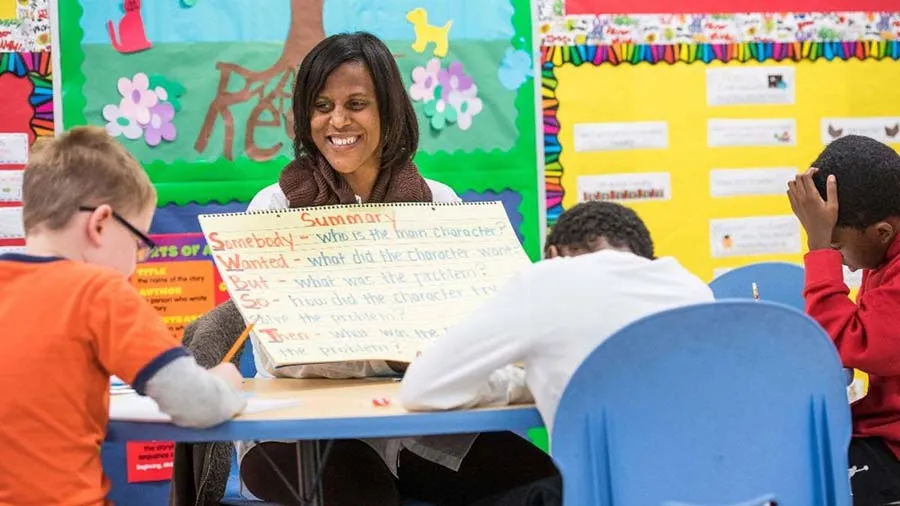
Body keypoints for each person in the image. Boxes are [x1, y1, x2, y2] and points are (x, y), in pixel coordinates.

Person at [180, 32, 556, 506]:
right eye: (321, 106)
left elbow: (472, 329)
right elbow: (285, 359)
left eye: (356, 103)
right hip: (298, 433)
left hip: (416, 424)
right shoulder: (274, 208)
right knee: (364, 497)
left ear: (389, 112)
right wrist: (403, 353)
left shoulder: (439, 205)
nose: (337, 121)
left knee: (541, 486)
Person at [0, 126, 245, 505]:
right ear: (99, 224)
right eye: (138, 242)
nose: (137, 259)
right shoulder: (99, 292)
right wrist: (227, 379)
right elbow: (198, 404)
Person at [400, 200, 714, 440]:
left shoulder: (547, 281)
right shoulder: (689, 286)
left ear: (552, 254)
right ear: (646, 257)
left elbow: (422, 389)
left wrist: (521, 383)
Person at [787, 134, 900, 505]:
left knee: (797, 481)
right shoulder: (885, 255)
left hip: (893, 447)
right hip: (881, 428)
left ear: (882, 232)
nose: (844, 262)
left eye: (838, 246)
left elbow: (841, 343)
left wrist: (819, 251)